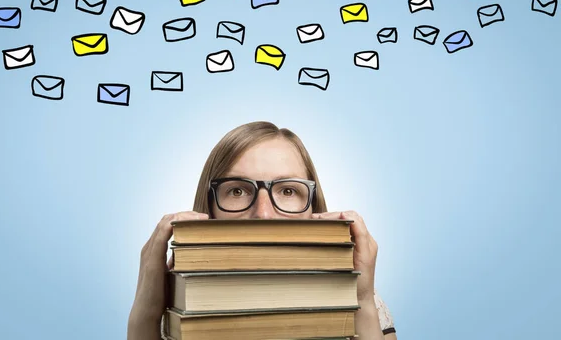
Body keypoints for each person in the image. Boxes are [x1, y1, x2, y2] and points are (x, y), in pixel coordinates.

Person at [128, 121, 397, 340]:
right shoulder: (176, 302)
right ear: (208, 208)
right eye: (237, 190)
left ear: (312, 207)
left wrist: (361, 299)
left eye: (288, 190)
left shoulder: (365, 299)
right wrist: (146, 312)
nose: (264, 213)